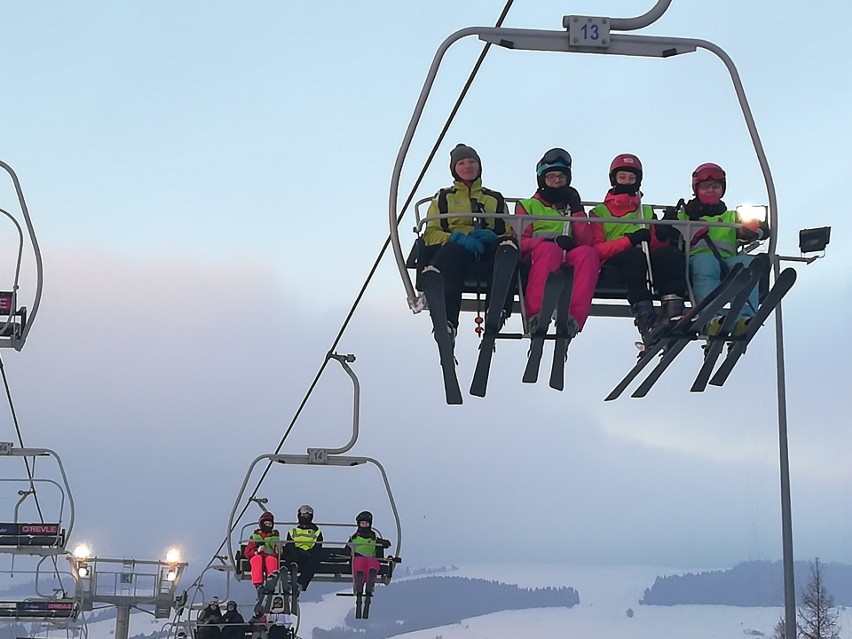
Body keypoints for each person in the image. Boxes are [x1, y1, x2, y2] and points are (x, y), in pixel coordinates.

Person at [419, 144, 517, 348]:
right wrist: (456, 238)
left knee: (507, 248)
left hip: (487, 246)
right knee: (450, 255)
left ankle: (497, 310)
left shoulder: (495, 199)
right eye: (461, 163)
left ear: (479, 166)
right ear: (454, 168)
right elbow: (430, 233)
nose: (467, 166)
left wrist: (492, 236)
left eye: (472, 162)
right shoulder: (444, 198)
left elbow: (506, 231)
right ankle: (448, 322)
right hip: (457, 247)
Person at [588, 153, 688, 343]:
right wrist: (629, 240)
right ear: (614, 179)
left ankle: (673, 312)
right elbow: (597, 249)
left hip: (643, 256)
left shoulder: (646, 211)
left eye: (632, 178)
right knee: (634, 256)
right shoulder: (599, 213)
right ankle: (646, 318)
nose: (627, 181)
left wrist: (663, 233)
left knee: (671, 255)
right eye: (622, 177)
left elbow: (654, 245)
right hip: (615, 258)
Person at [665, 162, 767, 335]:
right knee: (706, 265)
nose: (710, 190)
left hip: (728, 259)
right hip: (698, 256)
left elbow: (763, 230)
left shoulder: (732, 216)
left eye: (715, 186)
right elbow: (667, 233)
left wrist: (749, 232)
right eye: (705, 187)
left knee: (748, 264)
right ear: (696, 189)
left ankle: (744, 318)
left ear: (723, 189)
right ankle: (711, 317)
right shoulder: (684, 214)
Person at [516, 147, 600, 334]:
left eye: (561, 177)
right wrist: (548, 242)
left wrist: (577, 210)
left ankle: (573, 318)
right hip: (540, 254)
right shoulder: (528, 205)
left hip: (566, 255)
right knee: (550, 251)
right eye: (551, 177)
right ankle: (537, 315)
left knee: (588, 254)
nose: (556, 181)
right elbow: (521, 241)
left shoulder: (569, 208)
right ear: (542, 180)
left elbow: (586, 241)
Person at [347, 510, 391, 594]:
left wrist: (384, 543)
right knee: (359, 564)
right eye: (362, 523)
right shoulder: (354, 538)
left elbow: (384, 544)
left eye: (366, 523)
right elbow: (346, 550)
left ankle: (370, 582)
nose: (364, 525)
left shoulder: (374, 539)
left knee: (372, 564)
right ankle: (359, 583)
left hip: (370, 559)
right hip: (358, 559)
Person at [282, 504, 323, 591]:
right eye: (303, 515)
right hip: (296, 554)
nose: (305, 517)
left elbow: (318, 547)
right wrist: (299, 551)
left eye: (307, 515)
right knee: (293, 554)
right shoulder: (293, 531)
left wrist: (309, 552)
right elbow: (289, 546)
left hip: (309, 556)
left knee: (314, 560)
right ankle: (289, 573)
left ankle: (300, 583)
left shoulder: (316, 532)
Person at [244, 512, 280, 592]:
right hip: (258, 555)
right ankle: (258, 584)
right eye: (265, 523)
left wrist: (275, 551)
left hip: (269, 555)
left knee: (272, 559)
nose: (267, 526)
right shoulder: (255, 537)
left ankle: (271, 580)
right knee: (257, 559)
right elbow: (247, 552)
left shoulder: (275, 538)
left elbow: (279, 553)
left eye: (269, 524)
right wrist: (256, 551)